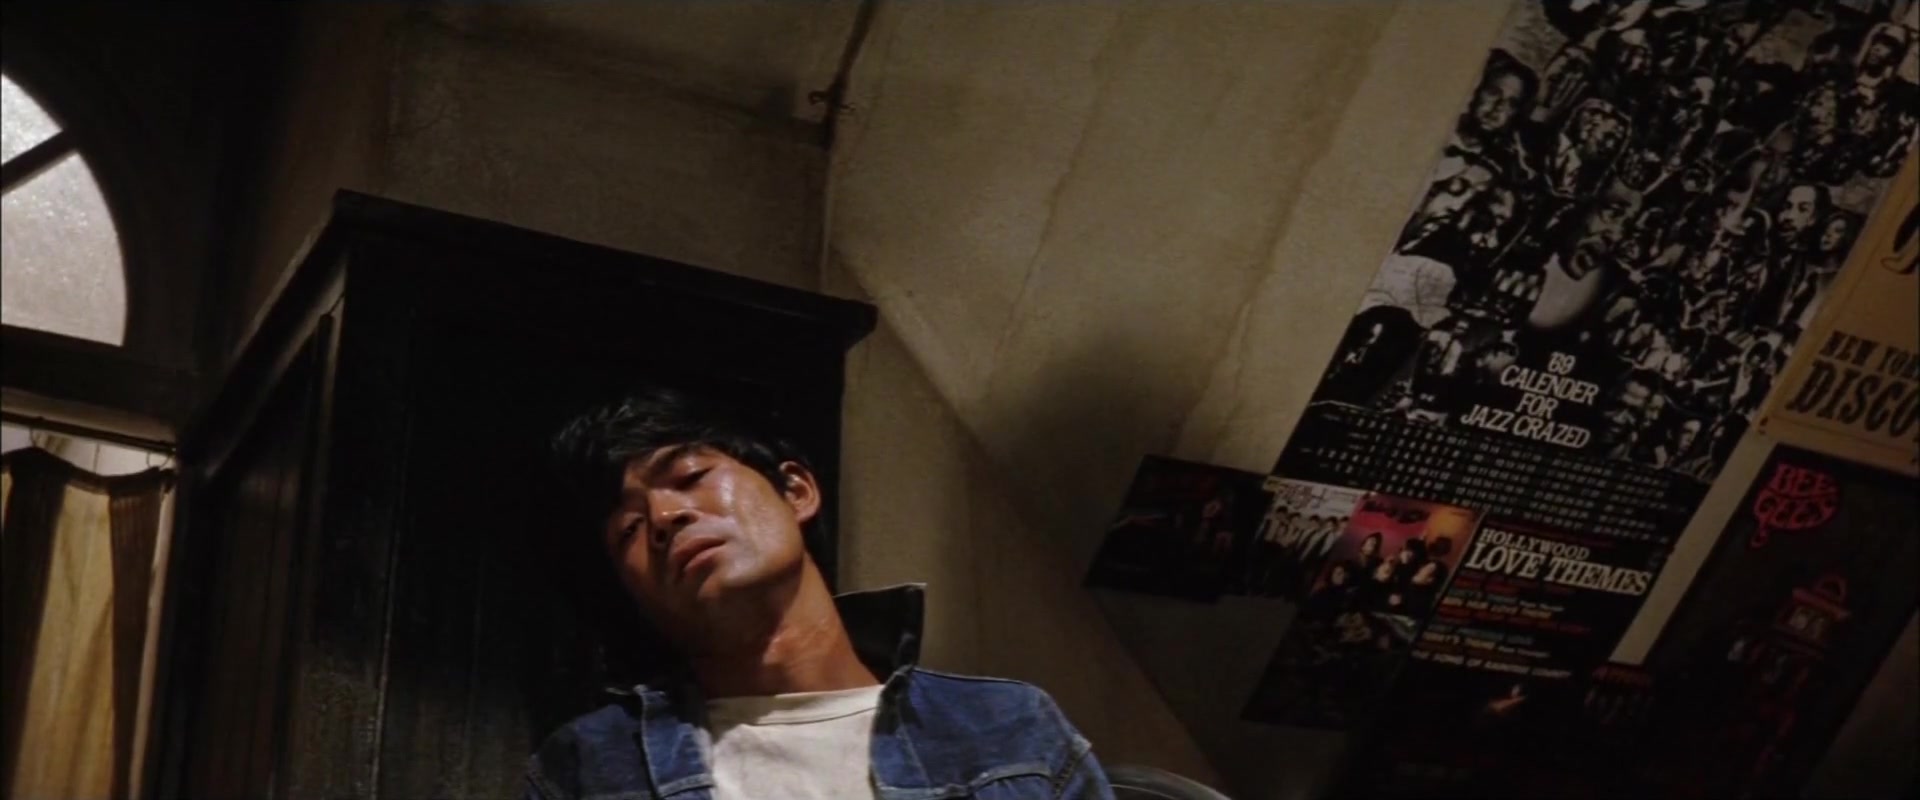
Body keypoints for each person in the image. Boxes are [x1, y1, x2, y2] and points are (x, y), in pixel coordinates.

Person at [528, 388, 1115, 799]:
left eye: (690, 477)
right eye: (629, 529)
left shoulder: (1007, 727)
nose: (663, 516)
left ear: (797, 491)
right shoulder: (586, 765)